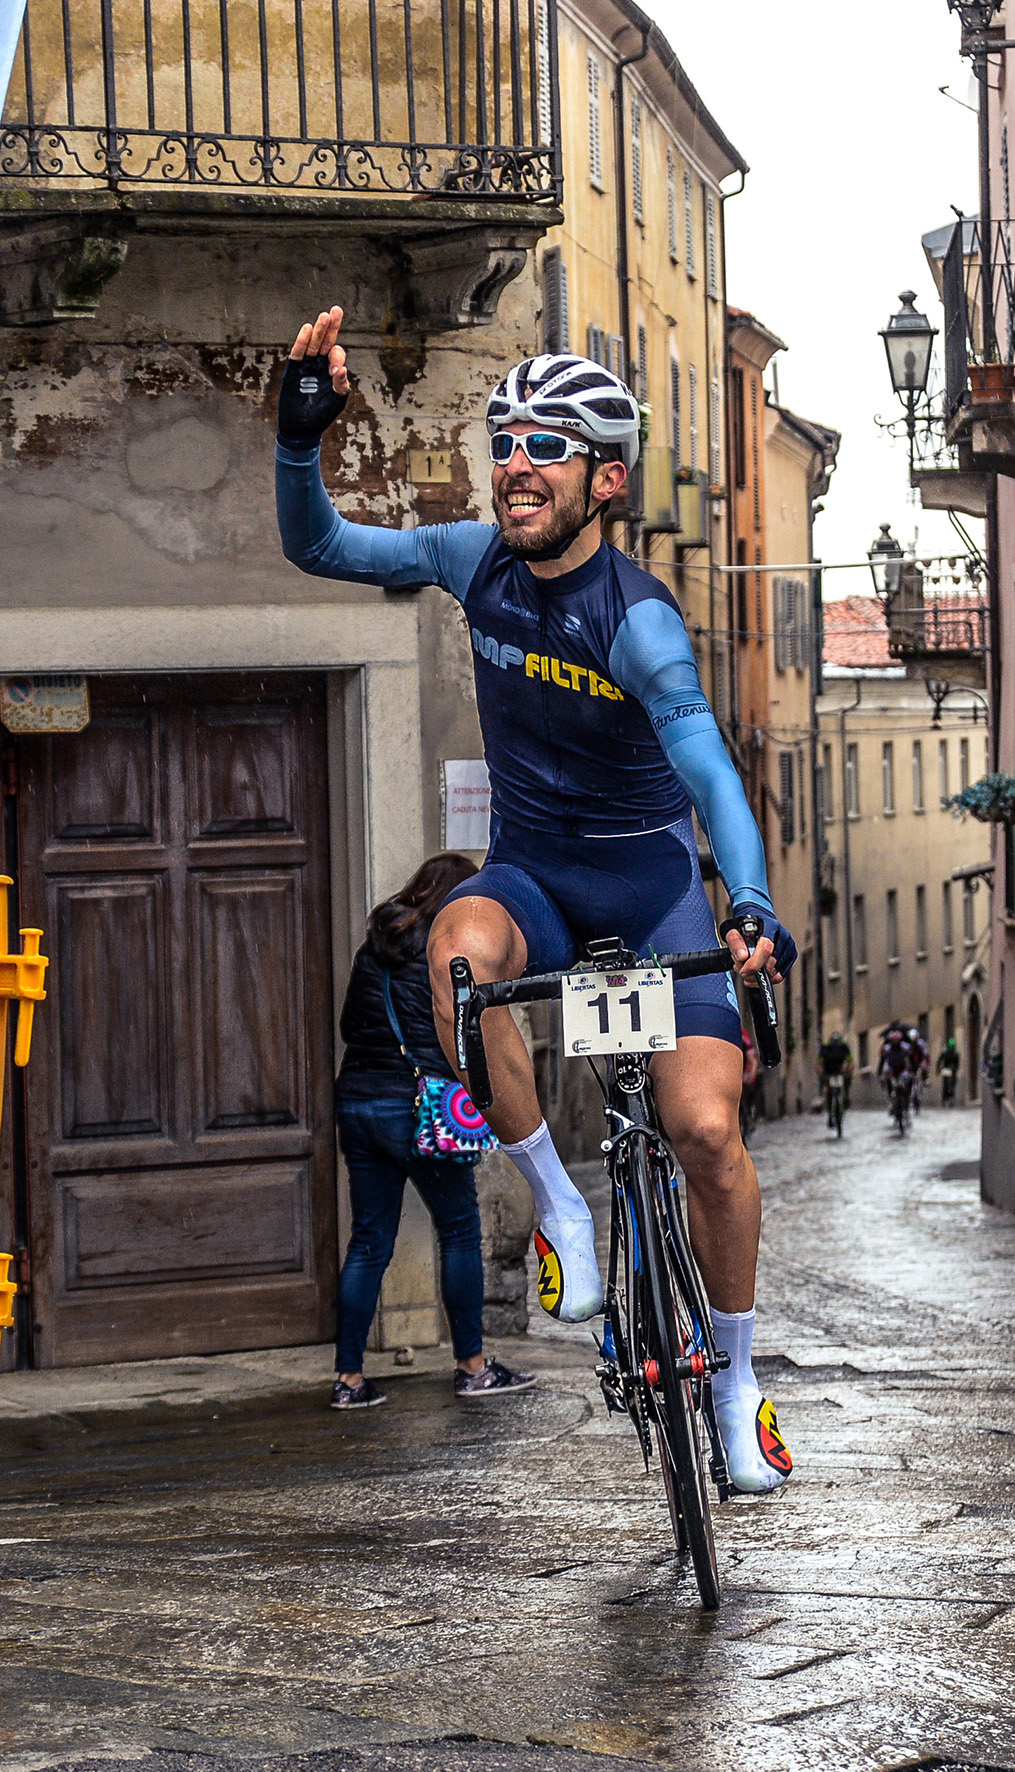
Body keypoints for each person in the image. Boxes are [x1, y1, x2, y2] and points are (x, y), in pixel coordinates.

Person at [276, 310, 797, 1492]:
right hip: (537, 872)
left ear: (604, 479)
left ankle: (732, 1381)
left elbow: (711, 768)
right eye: (504, 437)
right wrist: (299, 441)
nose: (514, 459)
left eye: (546, 444)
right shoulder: (473, 561)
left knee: (704, 1130)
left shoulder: (641, 620)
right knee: (456, 953)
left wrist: (751, 901)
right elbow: (323, 549)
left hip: (655, 881)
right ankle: (562, 1206)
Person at [332, 852, 535, 1408]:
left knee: (370, 1241)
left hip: (358, 1103)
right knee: (461, 1233)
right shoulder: (450, 951)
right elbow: (464, 1034)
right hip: (423, 1106)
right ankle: (472, 1366)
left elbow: (351, 1025)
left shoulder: (375, 947)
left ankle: (348, 1380)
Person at [817, 1031, 853, 1127]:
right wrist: (821, 1072)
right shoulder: (825, 1047)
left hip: (840, 1070)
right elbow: (819, 1063)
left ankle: (846, 1096)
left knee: (847, 1079)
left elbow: (850, 1061)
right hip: (828, 1071)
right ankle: (830, 1113)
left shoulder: (844, 1047)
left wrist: (848, 1068)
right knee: (829, 1090)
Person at [938, 1034, 961, 1105]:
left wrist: (956, 1068)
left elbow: (958, 1062)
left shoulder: (956, 1052)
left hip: (953, 1068)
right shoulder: (945, 1051)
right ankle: (944, 1098)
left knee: (953, 1082)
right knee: (945, 1083)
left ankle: (952, 1096)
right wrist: (938, 1068)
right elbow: (940, 1060)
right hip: (946, 1068)